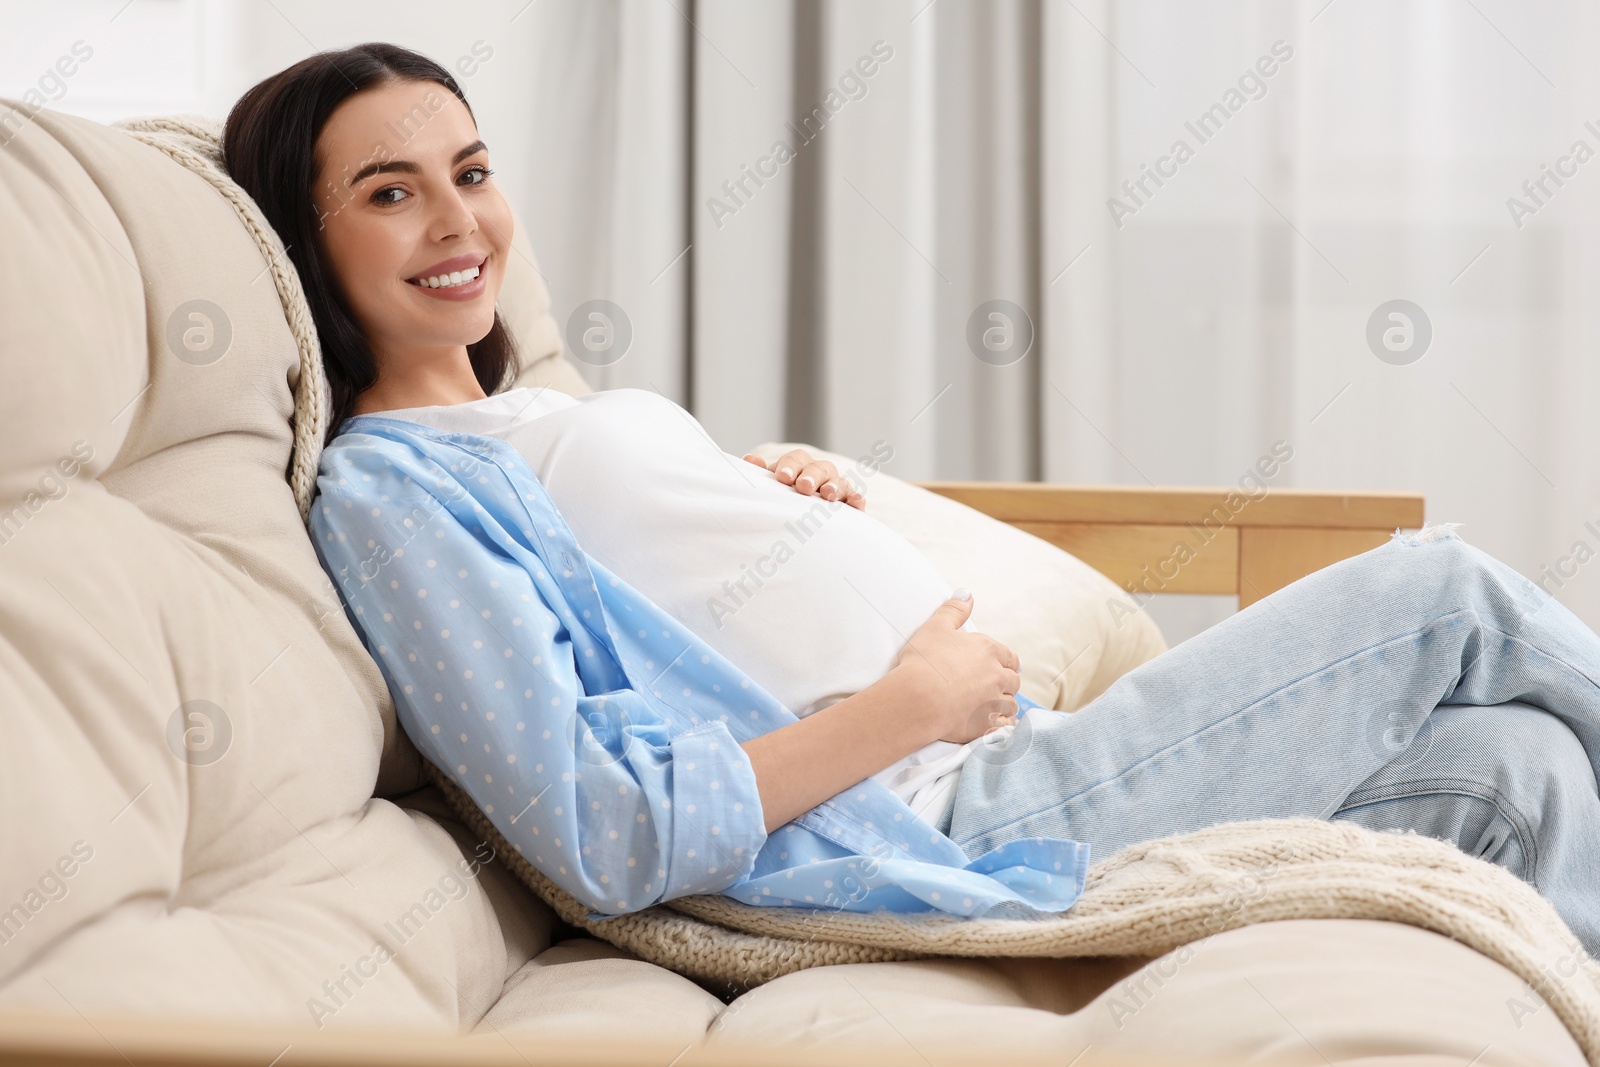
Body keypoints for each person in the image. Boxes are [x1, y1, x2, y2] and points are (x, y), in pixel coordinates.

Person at [225, 43, 1600, 952]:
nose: (459, 223)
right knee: (1443, 593)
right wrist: (905, 708)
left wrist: (769, 502)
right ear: (306, 236)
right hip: (951, 813)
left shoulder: (521, 417)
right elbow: (602, 826)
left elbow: (655, 608)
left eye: (470, 172)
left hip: (1018, 752)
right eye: (391, 194)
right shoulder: (386, 492)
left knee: (1517, 770)